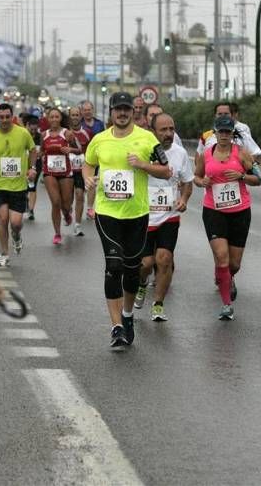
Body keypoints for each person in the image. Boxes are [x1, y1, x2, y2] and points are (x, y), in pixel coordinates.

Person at [83, 91, 172, 348]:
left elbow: (166, 171)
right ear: (111, 112)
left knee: (132, 269)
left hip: (137, 213)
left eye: (126, 109)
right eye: (117, 109)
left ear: (134, 112)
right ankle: (116, 327)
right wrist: (88, 177)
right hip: (107, 211)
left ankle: (128, 314)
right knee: (114, 265)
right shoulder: (99, 140)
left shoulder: (147, 139)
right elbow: (88, 164)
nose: (122, 113)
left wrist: (143, 165)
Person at [193, 115, 261, 320]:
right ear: (215, 133)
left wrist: (241, 176)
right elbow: (196, 177)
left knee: (234, 264)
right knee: (222, 257)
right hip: (214, 211)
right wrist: (201, 182)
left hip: (240, 211)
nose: (223, 135)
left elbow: (258, 179)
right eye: (220, 132)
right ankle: (226, 305)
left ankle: (226, 276)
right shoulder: (206, 154)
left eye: (227, 132)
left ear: (232, 134)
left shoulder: (242, 154)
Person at [133, 112, 193, 321]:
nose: (168, 133)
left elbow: (187, 182)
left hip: (169, 215)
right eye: (163, 130)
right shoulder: (141, 150)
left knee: (164, 259)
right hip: (145, 216)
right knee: (146, 263)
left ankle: (158, 304)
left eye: (171, 129)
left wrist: (184, 199)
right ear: (153, 131)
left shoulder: (180, 153)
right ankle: (141, 283)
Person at [0, 103, 38, 267]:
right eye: (2, 117)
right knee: (3, 218)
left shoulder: (22, 133)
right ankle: (4, 253)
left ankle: (16, 236)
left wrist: (32, 168)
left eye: (8, 117)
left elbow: (33, 150)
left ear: (12, 116)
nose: (5, 120)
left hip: (18, 186)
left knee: (15, 223)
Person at [41, 107, 77, 244]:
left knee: (66, 204)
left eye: (57, 117)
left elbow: (79, 150)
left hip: (65, 173)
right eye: (52, 117)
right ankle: (57, 233)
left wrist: (70, 149)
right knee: (55, 202)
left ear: (60, 118)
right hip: (49, 172)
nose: (54, 119)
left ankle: (67, 214)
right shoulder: (44, 134)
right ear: (48, 119)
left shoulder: (67, 133)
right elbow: (42, 151)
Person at [196, 101, 261, 162]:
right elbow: (198, 158)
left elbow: (255, 153)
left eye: (226, 114)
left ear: (232, 115)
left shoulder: (242, 135)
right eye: (219, 114)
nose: (223, 116)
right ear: (215, 116)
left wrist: (242, 167)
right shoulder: (206, 136)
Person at [81, 100, 105, 220]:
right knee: (78, 188)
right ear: (82, 112)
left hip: (94, 159)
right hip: (79, 158)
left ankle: (90, 208)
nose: (87, 112)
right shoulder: (78, 124)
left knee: (92, 183)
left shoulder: (99, 124)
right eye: (85, 110)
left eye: (89, 110)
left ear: (93, 110)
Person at [68, 105, 90, 236]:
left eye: (77, 115)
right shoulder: (65, 132)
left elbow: (90, 153)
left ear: (80, 117)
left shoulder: (87, 134)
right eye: (73, 115)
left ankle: (77, 225)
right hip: (66, 171)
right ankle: (67, 211)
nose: (75, 117)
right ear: (69, 117)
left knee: (80, 195)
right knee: (67, 199)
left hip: (80, 171)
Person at [23, 108, 43, 221]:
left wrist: (40, 153)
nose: (34, 131)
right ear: (28, 126)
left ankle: (31, 210)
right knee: (24, 187)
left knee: (32, 186)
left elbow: (43, 149)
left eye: (36, 129)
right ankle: (25, 200)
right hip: (23, 164)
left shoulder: (40, 137)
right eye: (32, 128)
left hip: (36, 165)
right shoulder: (23, 135)